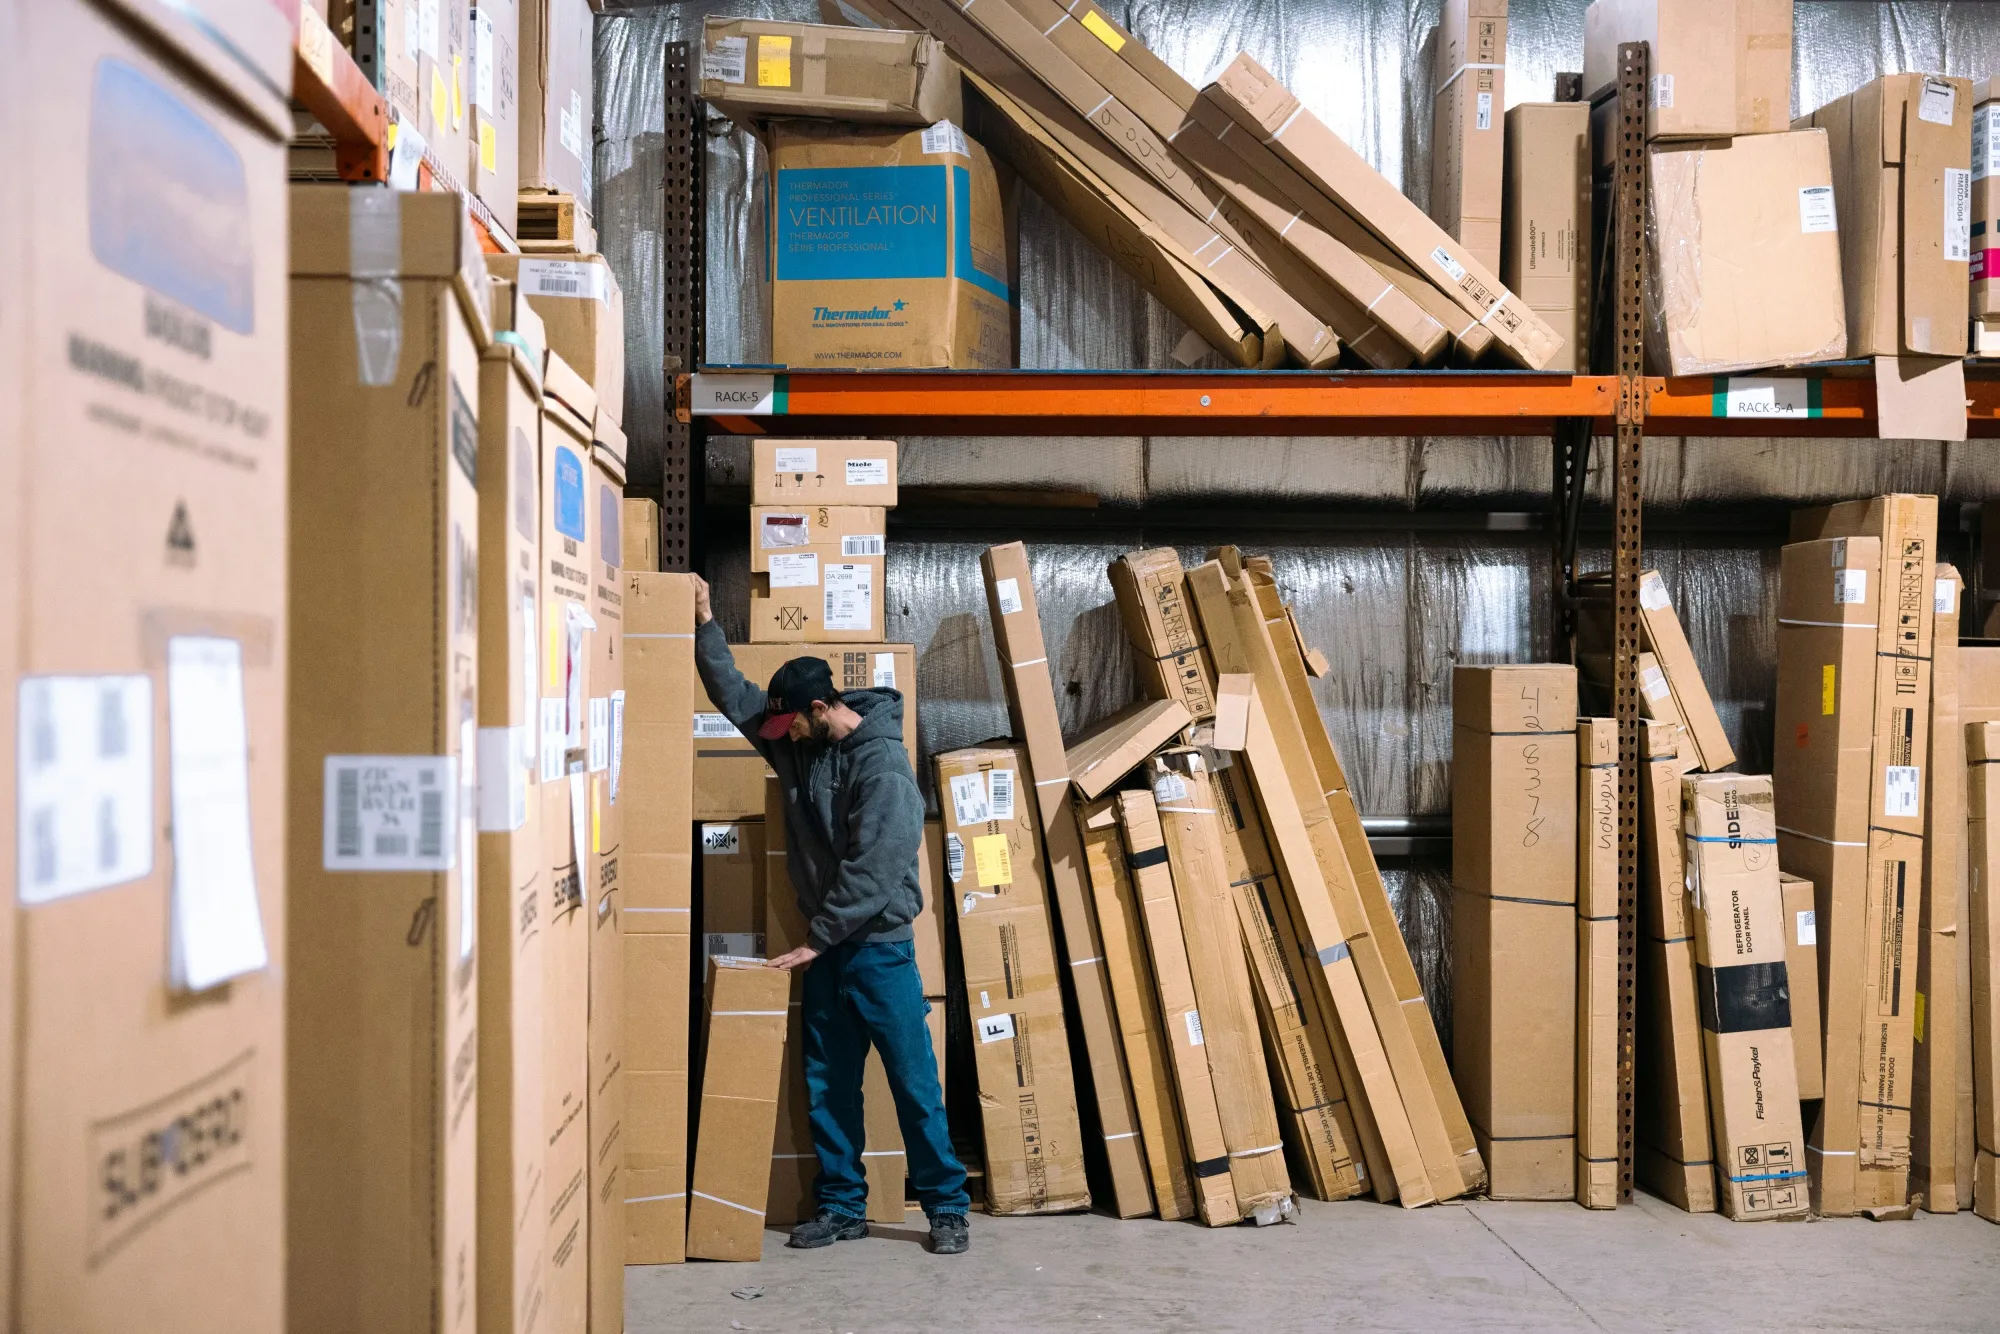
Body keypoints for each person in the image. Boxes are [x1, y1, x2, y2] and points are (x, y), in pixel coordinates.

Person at [691, 576, 971, 1256]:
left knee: (912, 1083)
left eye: (793, 724)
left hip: (877, 948)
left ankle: (946, 1208)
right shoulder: (797, 740)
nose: (781, 736)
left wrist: (816, 940)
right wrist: (704, 621)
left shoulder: (882, 767)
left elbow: (875, 868)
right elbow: (735, 697)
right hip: (824, 950)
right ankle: (842, 1206)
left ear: (822, 707)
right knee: (827, 1082)